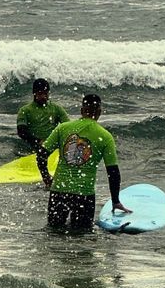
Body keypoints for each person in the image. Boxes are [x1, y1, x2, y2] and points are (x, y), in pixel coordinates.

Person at [37, 93, 130, 231]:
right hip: (84, 195)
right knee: (82, 236)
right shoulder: (105, 136)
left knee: (53, 232)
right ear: (99, 112)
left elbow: (41, 155)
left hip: (59, 191)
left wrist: (46, 177)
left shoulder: (62, 128)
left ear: (81, 110)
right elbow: (113, 172)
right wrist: (115, 201)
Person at [16, 78, 69, 150]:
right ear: (34, 93)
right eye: (40, 94)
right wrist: (38, 141)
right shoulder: (25, 110)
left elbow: (67, 126)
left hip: (52, 147)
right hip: (32, 147)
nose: (44, 97)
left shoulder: (56, 109)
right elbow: (21, 132)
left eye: (46, 93)